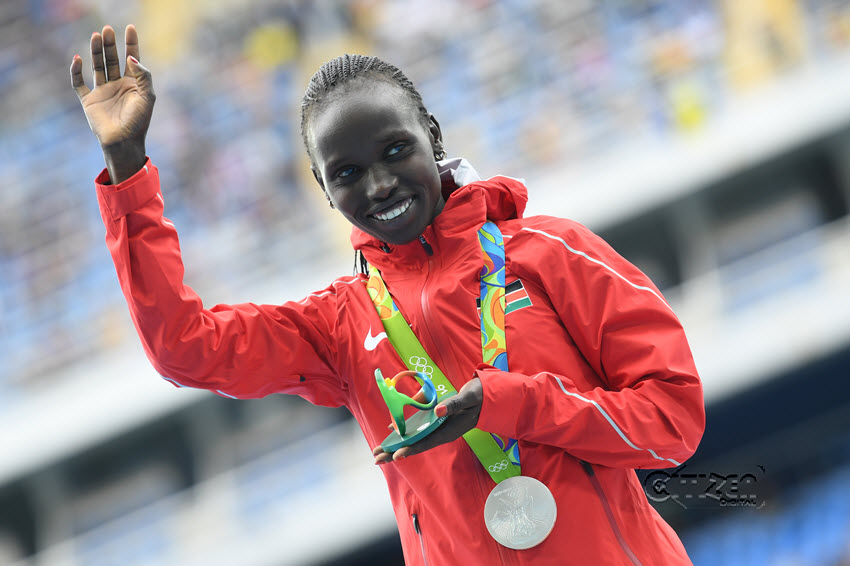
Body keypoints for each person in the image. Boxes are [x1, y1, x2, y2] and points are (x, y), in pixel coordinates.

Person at [70, 24, 705, 566]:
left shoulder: (550, 252)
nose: (377, 185)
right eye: (345, 174)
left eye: (395, 150)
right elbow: (185, 348)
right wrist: (128, 169)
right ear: (324, 189)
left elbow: (673, 420)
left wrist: (512, 404)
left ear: (431, 132)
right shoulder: (338, 327)